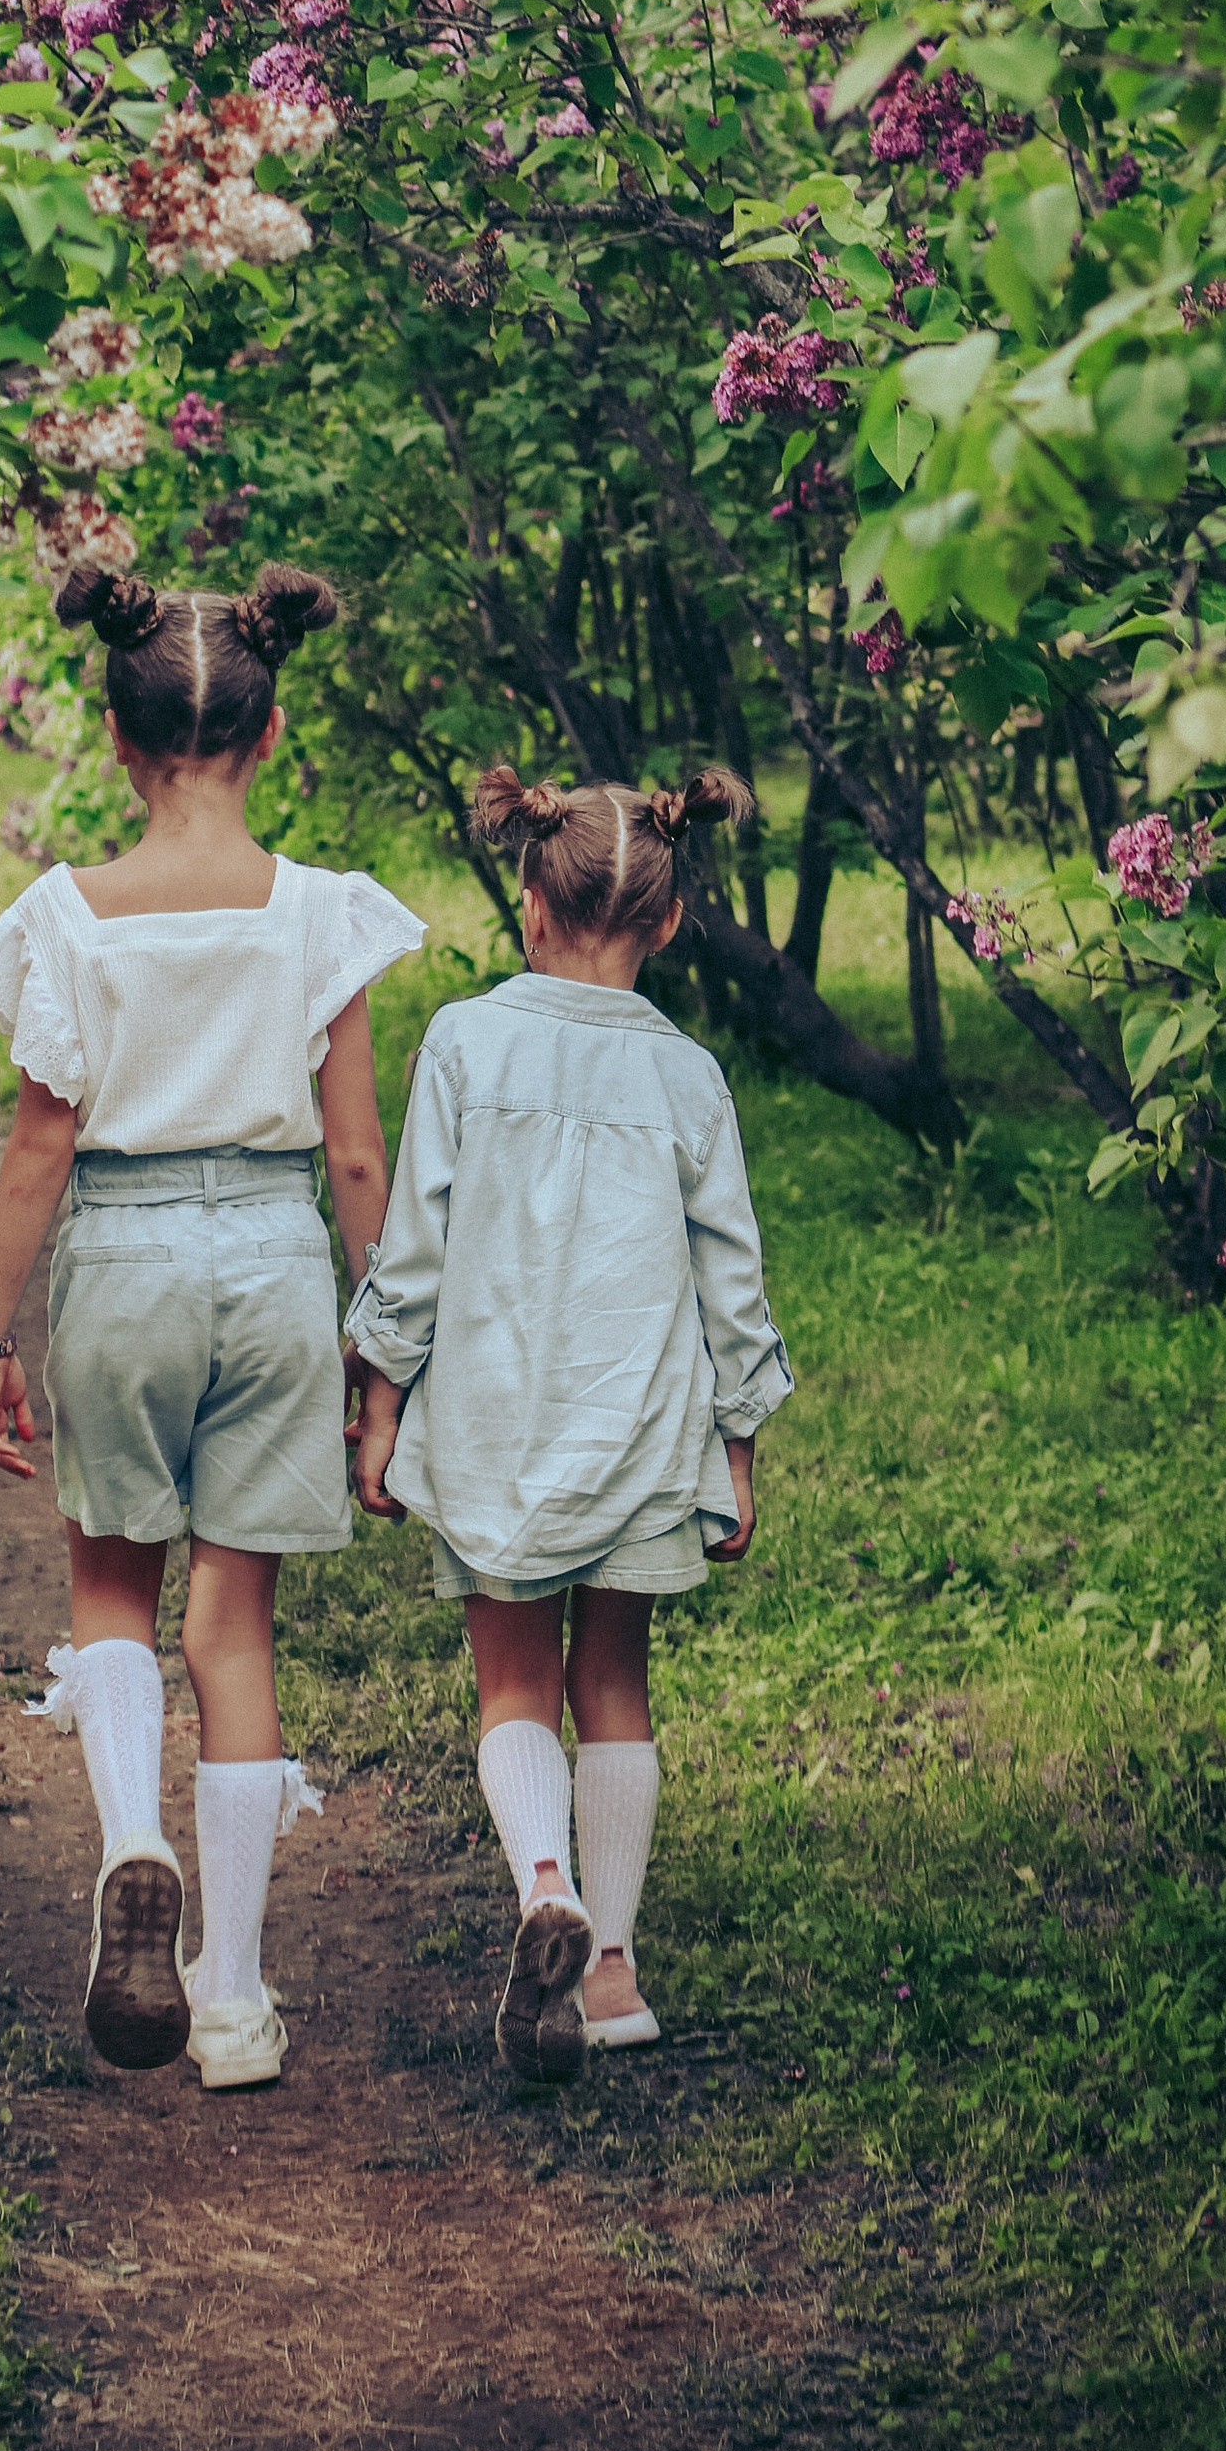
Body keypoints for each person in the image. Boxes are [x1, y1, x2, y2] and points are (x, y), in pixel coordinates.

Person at [0, 561, 422, 2093]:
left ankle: (132, 1837)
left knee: (113, 1589)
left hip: (126, 1258)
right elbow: (358, 1156)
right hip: (279, 1267)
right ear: (272, 734)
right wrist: (383, 1354)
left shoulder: (66, 920)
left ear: (114, 736)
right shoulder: (321, 918)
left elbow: (38, 1148)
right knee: (236, 1626)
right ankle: (229, 2001)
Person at [347, 763, 791, 2083]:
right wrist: (738, 1444)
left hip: (496, 1426)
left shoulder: (468, 1044)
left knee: (513, 1689)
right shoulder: (691, 1078)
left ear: (529, 904)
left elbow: (412, 1252)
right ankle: (611, 1975)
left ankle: (546, 1880)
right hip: (646, 1432)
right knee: (616, 1689)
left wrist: (380, 1406)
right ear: (664, 924)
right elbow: (733, 1272)